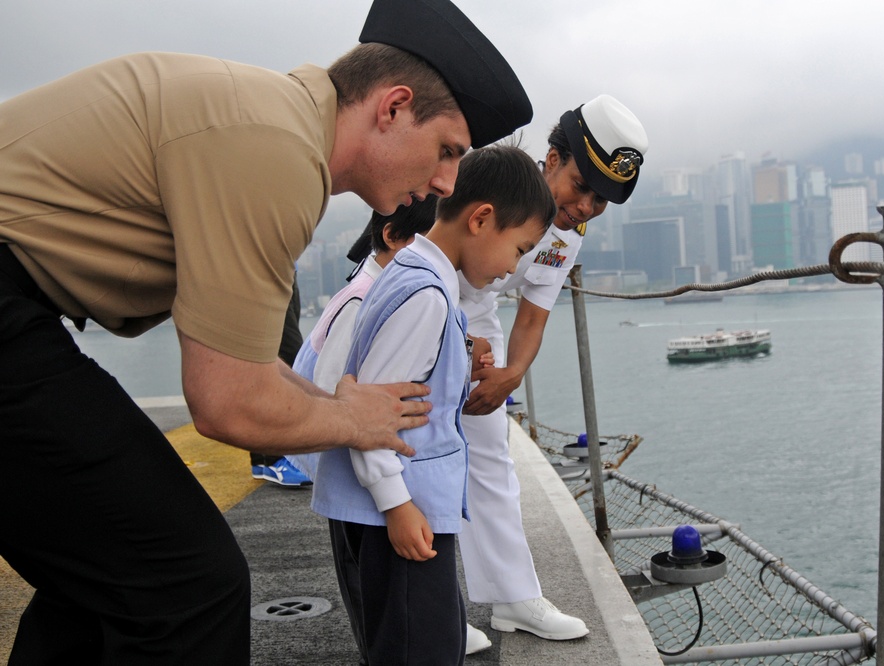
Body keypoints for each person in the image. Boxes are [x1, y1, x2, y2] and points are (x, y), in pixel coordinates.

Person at [0, 0, 532, 661]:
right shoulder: (276, 153)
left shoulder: (267, 122)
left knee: (106, 577)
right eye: (447, 150)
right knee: (190, 586)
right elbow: (229, 402)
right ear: (392, 108)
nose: (447, 180)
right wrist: (353, 421)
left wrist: (339, 407)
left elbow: (247, 361)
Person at [314, 146, 556, 665]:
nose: (513, 268)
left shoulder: (414, 273)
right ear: (482, 219)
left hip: (408, 511)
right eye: (519, 249)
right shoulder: (427, 294)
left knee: (432, 641)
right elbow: (372, 416)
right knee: (419, 650)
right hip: (401, 516)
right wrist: (396, 505)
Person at [458, 95, 648, 640]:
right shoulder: (489, 183)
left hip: (480, 313)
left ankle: (512, 597)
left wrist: (511, 375)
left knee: (490, 456)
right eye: (581, 186)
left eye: (602, 199)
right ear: (551, 160)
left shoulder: (566, 233)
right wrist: (456, 344)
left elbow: (534, 316)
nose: (586, 205)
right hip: (427, 297)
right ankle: (426, 607)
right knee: (422, 452)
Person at [250, 274, 314, 487]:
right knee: (291, 362)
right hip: (266, 268)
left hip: (283, 267)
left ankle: (263, 458)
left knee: (268, 360)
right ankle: (281, 459)